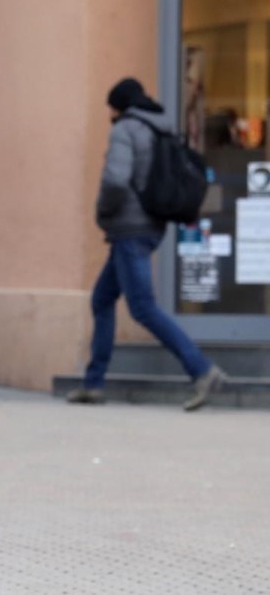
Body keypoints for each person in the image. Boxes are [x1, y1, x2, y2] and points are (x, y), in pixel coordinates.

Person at [67, 78, 228, 410]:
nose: (109, 113)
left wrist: (103, 213)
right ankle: (93, 383)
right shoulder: (159, 127)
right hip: (149, 225)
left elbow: (115, 181)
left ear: (120, 105)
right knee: (102, 299)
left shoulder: (126, 129)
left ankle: (202, 371)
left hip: (130, 229)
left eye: (111, 106)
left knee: (142, 307)